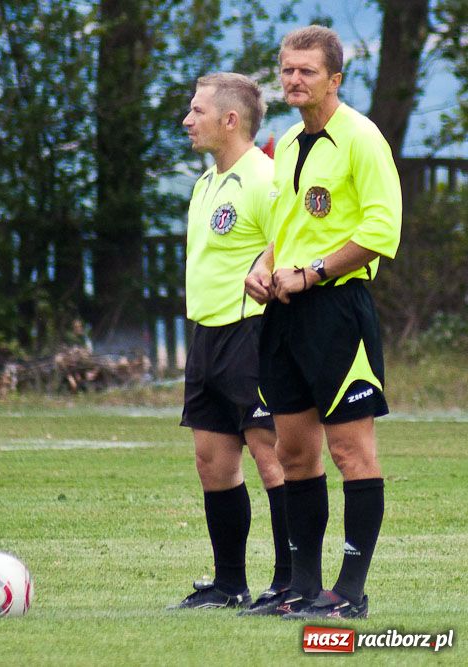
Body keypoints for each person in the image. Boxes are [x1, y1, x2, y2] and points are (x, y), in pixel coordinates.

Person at [242, 25, 401, 619]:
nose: (293, 80)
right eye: (286, 69)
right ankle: (302, 588)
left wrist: (310, 272)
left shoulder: (363, 139)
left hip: (339, 310)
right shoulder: (283, 145)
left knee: (350, 450)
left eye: (306, 71)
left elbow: (381, 234)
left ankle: (351, 592)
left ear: (335, 79)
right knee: (294, 452)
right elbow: (281, 232)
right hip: (284, 313)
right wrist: (263, 268)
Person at [168, 73, 292, 612]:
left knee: (273, 458)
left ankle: (291, 581)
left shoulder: (265, 179)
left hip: (253, 334)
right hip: (207, 336)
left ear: (230, 119)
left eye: (197, 111)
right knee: (212, 461)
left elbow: (288, 247)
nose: (187, 121)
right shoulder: (206, 183)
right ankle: (229, 584)